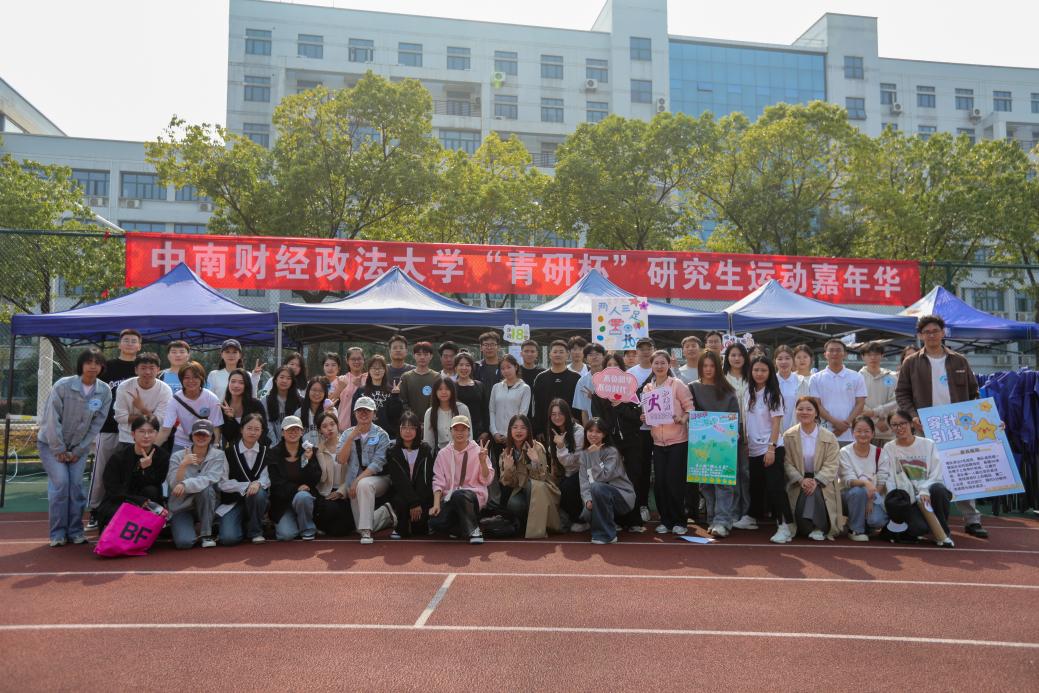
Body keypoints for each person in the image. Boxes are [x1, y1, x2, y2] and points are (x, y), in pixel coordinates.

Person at [895, 314, 987, 538]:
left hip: (958, 426)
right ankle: (929, 518)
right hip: (925, 426)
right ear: (920, 336)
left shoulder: (959, 360)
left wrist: (980, 418)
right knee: (926, 472)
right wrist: (913, 416)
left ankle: (972, 519)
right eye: (927, 332)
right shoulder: (911, 362)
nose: (931, 335)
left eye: (935, 331)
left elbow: (974, 393)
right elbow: (902, 393)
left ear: (943, 333)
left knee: (962, 470)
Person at [87, 328, 141, 529]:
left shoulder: (143, 367)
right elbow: (94, 394)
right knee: (102, 470)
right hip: (109, 426)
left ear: (139, 345)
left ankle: (127, 510)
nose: (129, 343)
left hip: (135, 430)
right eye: (126, 340)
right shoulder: (107, 367)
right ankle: (95, 509)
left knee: (131, 472)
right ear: (119, 344)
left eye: (133, 341)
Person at [880, 409, 954, 546]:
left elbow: (936, 473)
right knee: (918, 529)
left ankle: (943, 534)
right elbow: (890, 477)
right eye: (895, 425)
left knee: (939, 489)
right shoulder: (889, 448)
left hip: (929, 493)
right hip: (909, 498)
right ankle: (920, 527)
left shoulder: (928, 444)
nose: (899, 428)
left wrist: (924, 490)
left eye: (903, 423)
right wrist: (897, 501)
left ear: (911, 424)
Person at [689, 350, 743, 539]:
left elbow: (735, 417)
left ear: (718, 368)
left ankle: (723, 520)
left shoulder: (728, 390)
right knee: (706, 484)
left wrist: (733, 432)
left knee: (723, 483)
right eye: (705, 366)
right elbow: (688, 411)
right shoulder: (692, 388)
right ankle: (712, 518)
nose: (708, 369)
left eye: (712, 366)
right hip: (701, 443)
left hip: (723, 442)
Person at [642, 350, 695, 535]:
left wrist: (682, 419)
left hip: (678, 441)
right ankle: (665, 520)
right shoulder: (648, 388)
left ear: (668, 365)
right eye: (656, 363)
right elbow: (647, 414)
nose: (659, 366)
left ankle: (680, 520)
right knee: (660, 483)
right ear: (651, 365)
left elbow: (690, 408)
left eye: (662, 363)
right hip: (658, 442)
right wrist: (644, 417)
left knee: (675, 482)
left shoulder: (677, 384)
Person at [746, 356, 794, 542]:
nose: (759, 373)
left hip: (771, 447)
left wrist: (771, 448)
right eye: (756, 370)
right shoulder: (749, 392)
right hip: (753, 448)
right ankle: (752, 517)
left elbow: (776, 424)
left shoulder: (773, 394)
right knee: (755, 486)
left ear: (770, 372)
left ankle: (785, 526)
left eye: (763, 370)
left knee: (775, 488)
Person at [783, 396, 843, 541]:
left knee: (815, 491)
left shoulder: (829, 437)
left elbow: (832, 464)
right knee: (803, 521)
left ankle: (818, 527)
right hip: (798, 481)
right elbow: (786, 462)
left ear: (816, 413)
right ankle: (810, 526)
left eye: (809, 409)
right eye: (800, 409)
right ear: (795, 411)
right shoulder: (788, 436)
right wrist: (800, 479)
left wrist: (816, 480)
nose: (804, 412)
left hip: (822, 481)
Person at [96, 414, 170, 530]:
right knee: (114, 514)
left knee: (151, 490)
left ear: (156, 434)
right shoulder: (118, 457)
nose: (146, 436)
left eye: (151, 432)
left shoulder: (162, 456)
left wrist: (146, 468)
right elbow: (112, 489)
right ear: (133, 434)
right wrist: (137, 500)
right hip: (121, 500)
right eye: (141, 431)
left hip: (149, 501)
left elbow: (156, 483)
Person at [336, 396, 395, 544]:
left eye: (367, 411)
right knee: (359, 526)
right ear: (354, 413)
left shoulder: (382, 435)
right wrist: (351, 438)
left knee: (364, 484)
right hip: (354, 482)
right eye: (360, 410)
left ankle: (367, 532)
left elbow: (377, 464)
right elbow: (341, 460)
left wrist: (356, 481)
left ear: (374, 413)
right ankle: (385, 513)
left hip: (379, 479)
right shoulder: (346, 434)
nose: (363, 414)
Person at [430, 416, 494, 544]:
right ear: (451, 431)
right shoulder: (443, 454)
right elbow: (438, 481)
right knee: (435, 523)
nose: (460, 433)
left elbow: (487, 480)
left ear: (469, 432)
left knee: (459, 495)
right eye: (456, 429)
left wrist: (482, 462)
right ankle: (462, 526)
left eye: (463, 429)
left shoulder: (479, 451)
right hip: (450, 498)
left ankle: (475, 530)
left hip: (473, 496)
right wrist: (436, 504)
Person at [167, 419, 225, 549]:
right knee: (184, 543)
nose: (201, 437)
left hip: (207, 504)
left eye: (205, 434)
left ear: (211, 437)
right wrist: (183, 465)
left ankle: (206, 534)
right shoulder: (177, 456)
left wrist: (185, 484)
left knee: (206, 489)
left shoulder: (218, 455)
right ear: (191, 436)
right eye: (198, 434)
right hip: (182, 506)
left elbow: (211, 478)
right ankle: (180, 526)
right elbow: (173, 485)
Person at [499, 414, 560, 539]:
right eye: (515, 427)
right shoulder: (506, 453)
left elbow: (542, 478)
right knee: (513, 504)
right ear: (510, 430)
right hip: (521, 490)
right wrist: (508, 469)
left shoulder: (537, 447)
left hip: (541, 490)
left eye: (523, 427)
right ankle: (526, 524)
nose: (519, 431)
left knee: (532, 485)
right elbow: (508, 483)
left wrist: (535, 462)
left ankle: (539, 527)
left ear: (528, 430)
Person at [578, 418, 636, 545]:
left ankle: (607, 535)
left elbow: (603, 477)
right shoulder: (583, 454)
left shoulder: (612, 452)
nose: (593, 434)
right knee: (586, 513)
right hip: (597, 495)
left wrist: (594, 455)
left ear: (604, 434)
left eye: (598, 432)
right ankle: (608, 525)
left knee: (597, 487)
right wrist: (587, 500)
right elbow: (583, 481)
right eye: (590, 431)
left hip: (622, 497)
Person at [217, 412, 271, 545]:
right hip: (233, 502)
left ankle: (255, 531)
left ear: (261, 431)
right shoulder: (229, 452)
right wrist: (246, 486)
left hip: (256, 501)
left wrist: (258, 484)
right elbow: (222, 483)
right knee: (228, 539)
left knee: (258, 493)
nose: (253, 432)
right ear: (241, 429)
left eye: (257, 429)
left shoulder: (266, 452)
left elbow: (267, 477)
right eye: (249, 428)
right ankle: (243, 524)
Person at [268, 415, 320, 541]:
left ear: (302, 432)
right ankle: (293, 521)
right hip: (282, 502)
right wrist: (296, 488)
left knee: (303, 497)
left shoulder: (310, 451)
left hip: (303, 499)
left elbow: (315, 478)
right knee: (286, 535)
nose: (293, 432)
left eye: (297, 429)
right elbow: (275, 482)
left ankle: (307, 529)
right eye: (289, 429)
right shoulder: (273, 453)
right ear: (282, 432)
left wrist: (308, 461)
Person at [385, 412, 436, 538]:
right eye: (404, 427)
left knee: (420, 531)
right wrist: (414, 503)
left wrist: (418, 502)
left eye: (412, 428)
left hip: (421, 495)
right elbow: (399, 481)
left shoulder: (425, 449)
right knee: (400, 502)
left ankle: (417, 522)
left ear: (418, 430)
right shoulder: (392, 450)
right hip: (402, 495)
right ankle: (400, 525)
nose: (408, 431)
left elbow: (425, 479)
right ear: (399, 429)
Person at [839, 415, 889, 541]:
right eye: (859, 431)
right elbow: (848, 480)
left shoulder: (880, 453)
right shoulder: (845, 452)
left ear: (873, 433)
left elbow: (882, 480)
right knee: (858, 491)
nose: (863, 434)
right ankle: (855, 530)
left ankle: (864, 523)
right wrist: (866, 484)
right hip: (848, 496)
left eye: (867, 431)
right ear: (852, 432)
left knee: (877, 521)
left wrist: (871, 499)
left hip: (872, 495)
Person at [156, 361, 223, 453]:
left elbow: (216, 427)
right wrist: (151, 450)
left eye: (195, 377)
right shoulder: (175, 400)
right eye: (187, 377)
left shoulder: (211, 398)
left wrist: (215, 447)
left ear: (201, 378)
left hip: (206, 442)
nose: (191, 381)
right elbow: (166, 429)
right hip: (182, 443)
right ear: (181, 379)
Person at [112, 352, 173, 448]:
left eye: (152, 368)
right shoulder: (124, 387)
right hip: (127, 438)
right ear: (136, 370)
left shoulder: (165, 390)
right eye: (143, 368)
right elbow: (120, 417)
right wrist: (149, 416)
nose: (147, 372)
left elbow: (159, 421)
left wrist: (142, 408)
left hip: (153, 439)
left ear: (158, 370)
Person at [723, 343, 754, 530]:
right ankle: (733, 511)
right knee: (731, 472)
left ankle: (747, 512)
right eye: (733, 355)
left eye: (740, 355)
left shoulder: (752, 377)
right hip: (728, 429)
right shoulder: (722, 378)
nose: (736, 358)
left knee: (746, 471)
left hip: (750, 428)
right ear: (727, 357)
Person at [627, 337, 656, 524]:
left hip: (662, 429)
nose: (645, 352)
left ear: (654, 349)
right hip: (639, 430)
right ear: (636, 351)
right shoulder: (630, 373)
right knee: (642, 468)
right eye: (641, 348)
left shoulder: (662, 368)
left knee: (663, 470)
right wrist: (637, 416)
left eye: (648, 348)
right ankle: (642, 505)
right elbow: (625, 401)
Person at [546, 399, 585, 531]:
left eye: (560, 413)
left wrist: (561, 446)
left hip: (581, 473)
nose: (557, 417)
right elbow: (553, 460)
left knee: (566, 487)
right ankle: (564, 519)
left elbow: (570, 462)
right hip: (564, 473)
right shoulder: (553, 431)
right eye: (553, 414)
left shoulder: (578, 431)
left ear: (567, 414)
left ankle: (581, 520)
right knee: (550, 487)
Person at [531, 340, 581, 439]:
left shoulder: (576, 377)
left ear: (567, 355)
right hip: (546, 429)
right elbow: (536, 406)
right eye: (555, 352)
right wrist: (538, 429)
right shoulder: (540, 378)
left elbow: (579, 405)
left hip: (571, 428)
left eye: (561, 352)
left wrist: (578, 423)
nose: (558, 354)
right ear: (550, 354)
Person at [350, 354, 404, 433]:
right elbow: (354, 415)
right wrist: (356, 434)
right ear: (369, 370)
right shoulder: (361, 391)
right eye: (374, 368)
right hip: (365, 435)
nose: (377, 371)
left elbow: (396, 416)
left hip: (387, 435)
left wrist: (395, 396)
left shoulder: (392, 391)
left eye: (380, 368)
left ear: (385, 370)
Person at [859, 341, 898, 443]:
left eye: (876, 354)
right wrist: (876, 420)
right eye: (869, 355)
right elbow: (857, 402)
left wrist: (878, 415)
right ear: (863, 357)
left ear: (882, 356)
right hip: (864, 430)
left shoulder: (892, 377)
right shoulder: (857, 378)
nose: (873, 358)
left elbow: (896, 401)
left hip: (888, 430)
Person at [218, 367, 267, 448]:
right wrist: (231, 418)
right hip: (234, 451)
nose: (236, 385)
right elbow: (228, 436)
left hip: (256, 448)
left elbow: (264, 430)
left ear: (246, 385)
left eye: (241, 382)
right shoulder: (224, 407)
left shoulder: (255, 404)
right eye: (233, 381)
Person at [423, 376, 471, 452]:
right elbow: (428, 440)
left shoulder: (462, 409)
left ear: (452, 391)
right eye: (440, 389)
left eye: (447, 389)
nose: (444, 392)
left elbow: (469, 435)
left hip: (461, 452)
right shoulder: (430, 413)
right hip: (441, 454)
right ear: (435, 392)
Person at [399, 341, 440, 420]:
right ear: (414, 356)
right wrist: (412, 419)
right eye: (419, 354)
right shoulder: (406, 377)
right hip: (410, 422)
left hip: (432, 421)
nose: (422, 357)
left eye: (426, 354)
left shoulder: (437, 377)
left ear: (431, 356)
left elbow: (439, 401)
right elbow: (403, 402)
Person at [454, 353, 489, 442]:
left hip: (478, 433)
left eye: (467, 365)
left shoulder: (479, 385)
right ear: (455, 367)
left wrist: (486, 431)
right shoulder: (451, 387)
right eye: (461, 365)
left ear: (472, 367)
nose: (464, 368)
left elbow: (485, 410)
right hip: (457, 432)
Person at [328, 347, 366, 430]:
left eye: (359, 359)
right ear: (347, 360)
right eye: (353, 359)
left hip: (366, 428)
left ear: (364, 360)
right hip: (344, 428)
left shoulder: (370, 379)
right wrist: (340, 388)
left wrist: (361, 387)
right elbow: (327, 403)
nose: (356, 362)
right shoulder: (341, 380)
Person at [773, 345, 808, 433]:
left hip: (798, 431)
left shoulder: (802, 382)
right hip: (774, 433)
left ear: (793, 360)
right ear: (775, 361)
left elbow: (808, 407)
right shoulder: (770, 382)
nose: (784, 362)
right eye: (780, 359)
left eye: (787, 358)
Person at [264, 365, 301, 446]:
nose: (284, 381)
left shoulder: (299, 401)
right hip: (273, 445)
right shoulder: (266, 401)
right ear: (275, 380)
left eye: (288, 378)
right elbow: (268, 426)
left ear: (292, 381)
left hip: (294, 445)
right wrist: (276, 446)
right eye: (282, 377)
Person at [294, 376, 337, 445]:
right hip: (305, 450)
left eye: (321, 391)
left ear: (325, 393)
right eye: (314, 390)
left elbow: (334, 435)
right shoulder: (298, 413)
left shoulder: (331, 410)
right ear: (308, 391)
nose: (317, 393)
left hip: (325, 450)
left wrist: (326, 414)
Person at [571, 343, 605, 424]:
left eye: (597, 354)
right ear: (586, 359)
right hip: (593, 426)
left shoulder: (611, 377)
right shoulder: (582, 382)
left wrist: (594, 397)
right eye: (590, 355)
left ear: (603, 357)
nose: (594, 357)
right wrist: (586, 430)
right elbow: (584, 411)